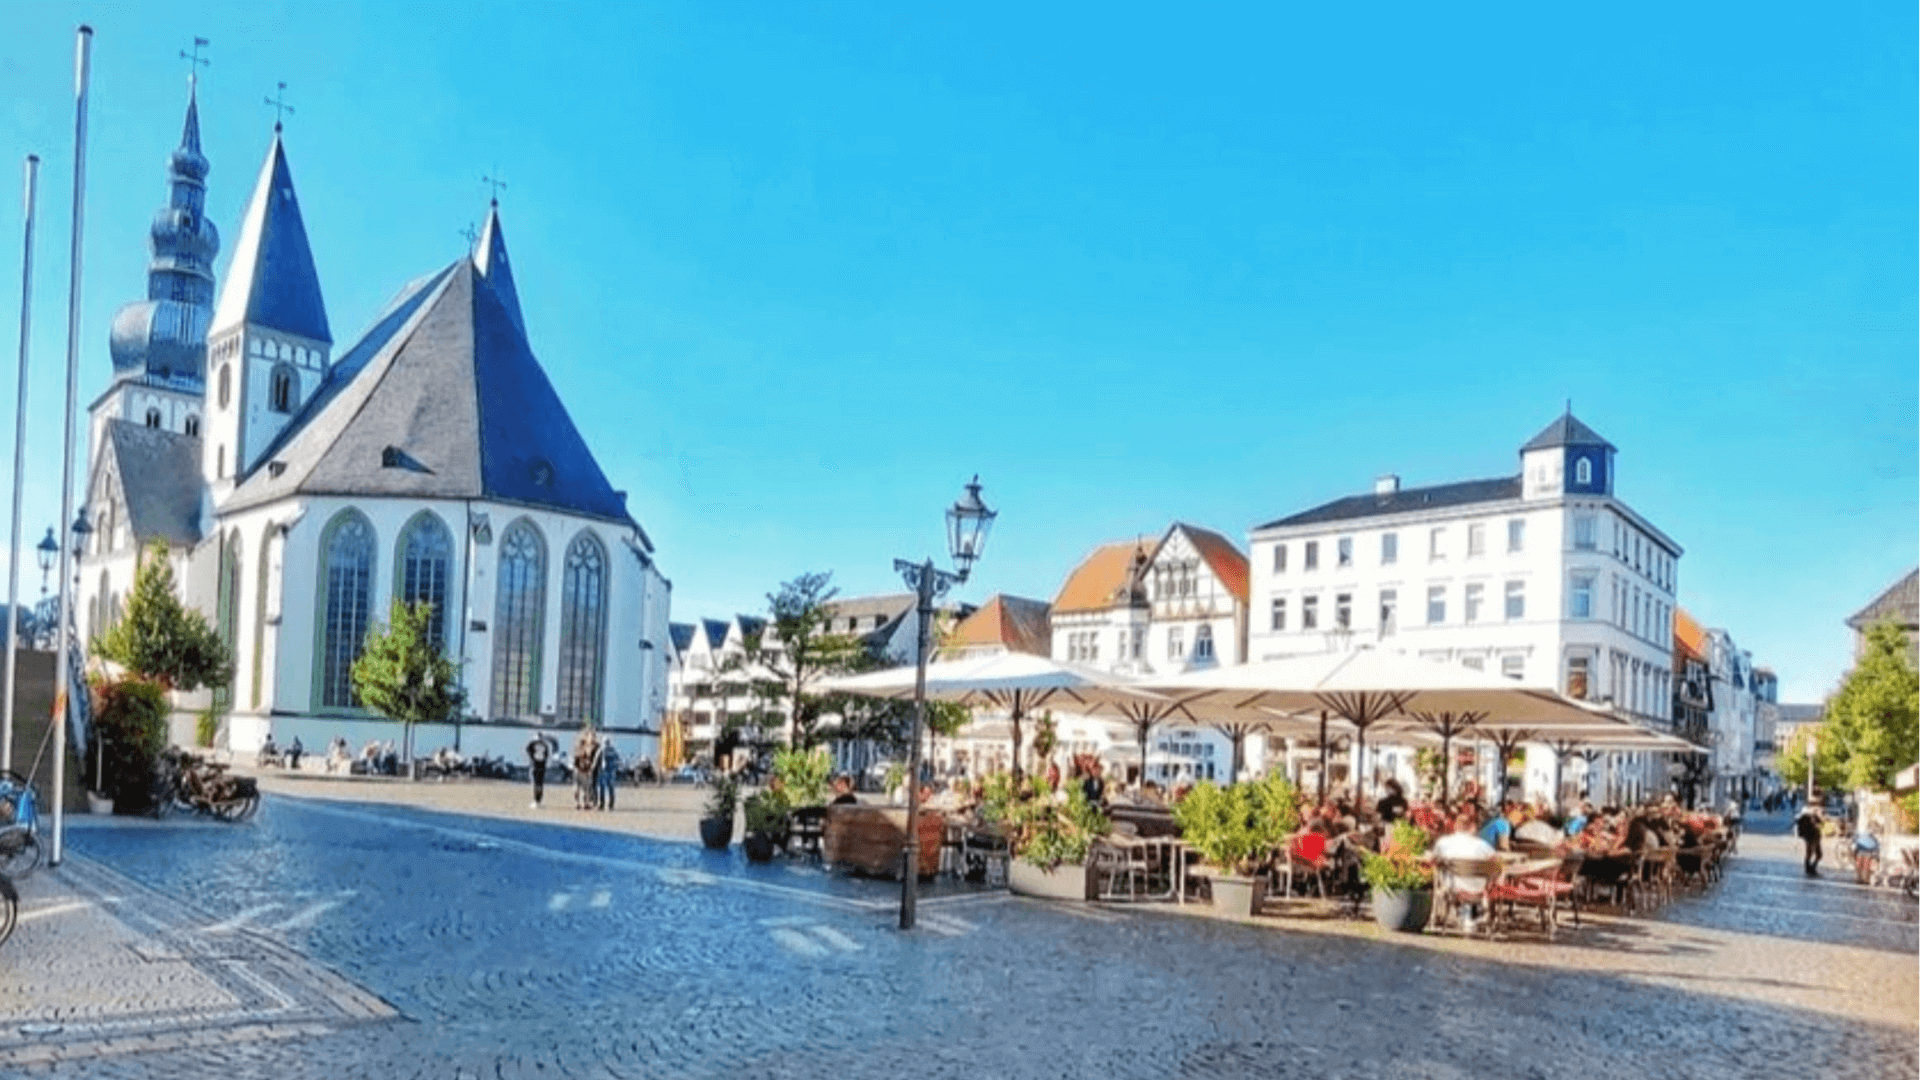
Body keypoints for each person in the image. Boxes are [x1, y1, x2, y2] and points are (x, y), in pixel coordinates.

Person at [1433, 812, 1498, 932]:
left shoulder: (1442, 842)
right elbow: (1496, 864)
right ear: (1472, 827)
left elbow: (1434, 861)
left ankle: (1457, 914)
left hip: (1451, 887)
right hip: (1478, 889)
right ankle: (1474, 913)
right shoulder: (1483, 845)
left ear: (1455, 826)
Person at [1795, 804, 1824, 876]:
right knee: (1810, 853)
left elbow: (1821, 823)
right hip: (1810, 837)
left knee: (1818, 854)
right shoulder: (1808, 815)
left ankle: (1812, 868)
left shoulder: (1814, 815)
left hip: (1815, 837)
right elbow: (1819, 824)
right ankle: (1809, 869)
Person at [527, 733, 552, 808]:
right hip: (541, 765)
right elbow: (546, 755)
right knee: (540, 784)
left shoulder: (533, 744)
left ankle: (536, 800)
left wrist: (532, 758)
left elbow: (528, 751)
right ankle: (539, 800)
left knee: (536, 784)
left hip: (536, 765)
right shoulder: (544, 745)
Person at [597, 740, 621, 811]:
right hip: (610, 772)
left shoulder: (601, 750)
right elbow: (618, 760)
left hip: (604, 772)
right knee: (610, 788)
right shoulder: (613, 750)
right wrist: (616, 768)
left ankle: (602, 805)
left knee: (603, 788)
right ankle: (610, 806)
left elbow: (596, 761)